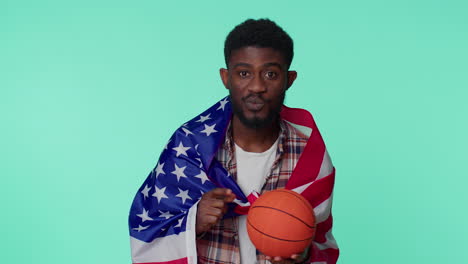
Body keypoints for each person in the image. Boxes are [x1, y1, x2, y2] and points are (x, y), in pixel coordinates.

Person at [129, 19, 339, 264]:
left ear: (289, 79)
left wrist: (301, 256)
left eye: (271, 74)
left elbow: (321, 241)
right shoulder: (189, 147)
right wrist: (193, 221)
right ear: (226, 78)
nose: (257, 86)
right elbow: (148, 228)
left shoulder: (308, 153)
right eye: (244, 73)